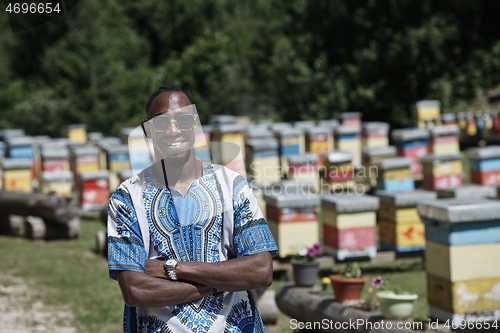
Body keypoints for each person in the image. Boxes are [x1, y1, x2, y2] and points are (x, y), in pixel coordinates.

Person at [107, 85, 278, 333]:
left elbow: (261, 270)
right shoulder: (126, 198)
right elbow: (135, 290)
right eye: (162, 122)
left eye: (183, 119)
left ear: (195, 124)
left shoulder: (232, 186)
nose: (174, 129)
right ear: (147, 129)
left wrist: (173, 269)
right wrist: (221, 282)